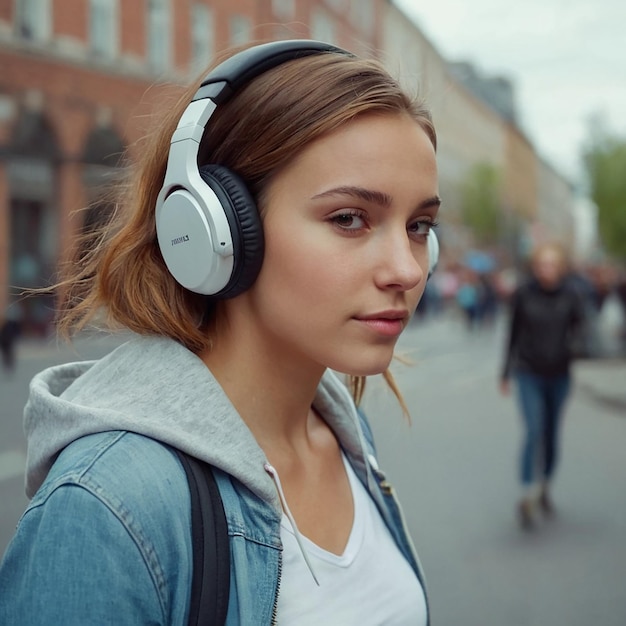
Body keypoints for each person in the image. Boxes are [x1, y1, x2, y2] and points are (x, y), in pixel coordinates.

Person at [0, 40, 440, 625]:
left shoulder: (341, 431)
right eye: (349, 218)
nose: (408, 270)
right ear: (212, 227)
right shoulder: (107, 505)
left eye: (419, 226)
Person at [500, 241, 584, 529]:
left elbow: (581, 328)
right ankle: (527, 492)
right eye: (541, 264)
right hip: (528, 371)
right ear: (535, 267)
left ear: (559, 267)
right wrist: (505, 373)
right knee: (534, 429)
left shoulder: (572, 294)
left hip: (560, 374)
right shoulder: (523, 293)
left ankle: (545, 483)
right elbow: (512, 332)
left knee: (551, 433)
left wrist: (575, 347)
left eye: (551, 264)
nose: (546, 269)